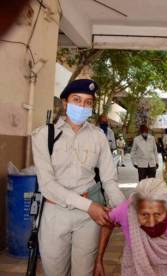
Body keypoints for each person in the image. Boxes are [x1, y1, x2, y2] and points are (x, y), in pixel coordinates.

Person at [31, 79, 126, 276]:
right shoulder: (43, 135)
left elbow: (109, 180)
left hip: (87, 218)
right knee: (55, 272)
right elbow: (47, 185)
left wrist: (124, 211)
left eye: (88, 102)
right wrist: (90, 206)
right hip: (55, 212)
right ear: (65, 103)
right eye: (76, 100)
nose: (82, 106)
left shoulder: (98, 136)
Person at [93, 178, 167, 276]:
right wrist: (99, 260)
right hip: (138, 268)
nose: (152, 223)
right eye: (144, 215)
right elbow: (107, 223)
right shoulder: (127, 210)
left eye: (158, 214)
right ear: (136, 209)